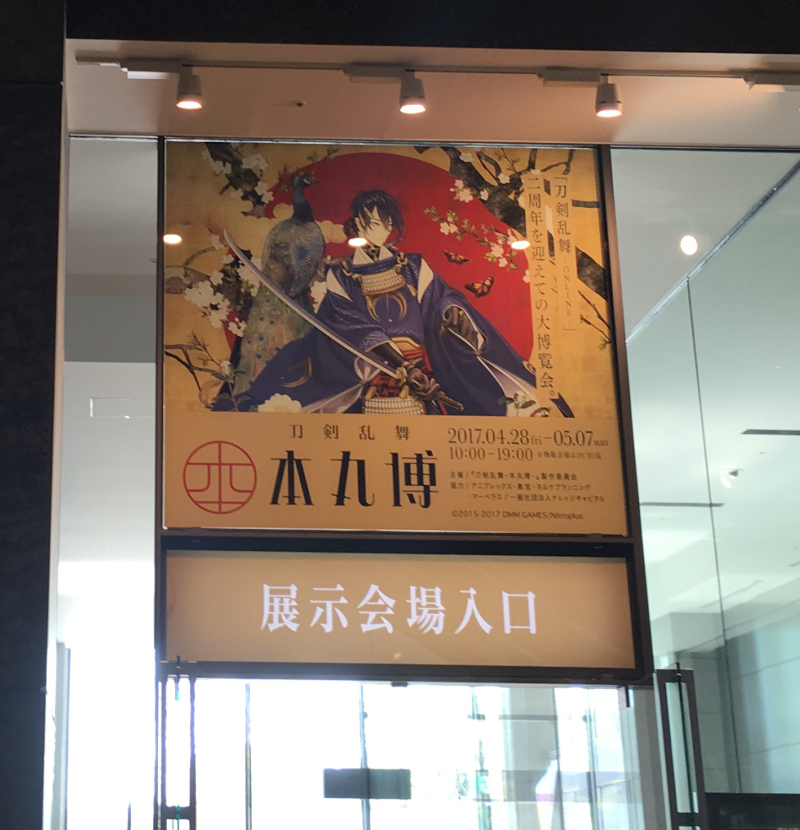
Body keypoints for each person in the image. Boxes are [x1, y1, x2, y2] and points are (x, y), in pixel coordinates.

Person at [221, 189, 539, 415]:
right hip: (370, 372)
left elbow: (439, 298)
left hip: (420, 375)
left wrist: (452, 312)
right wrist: (400, 366)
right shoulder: (342, 274)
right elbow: (350, 324)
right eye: (370, 223)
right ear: (357, 225)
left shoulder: (413, 266)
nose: (378, 229)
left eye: (384, 223)